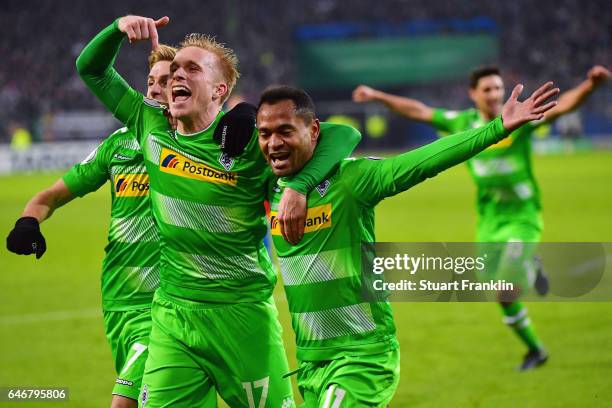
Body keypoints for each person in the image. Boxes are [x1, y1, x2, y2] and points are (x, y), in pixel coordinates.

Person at [76, 15, 362, 407]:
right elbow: (91, 69)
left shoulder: (251, 142)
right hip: (174, 315)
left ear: (219, 89)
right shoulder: (150, 124)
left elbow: (344, 135)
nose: (177, 74)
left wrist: (297, 184)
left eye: (192, 68)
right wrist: (115, 28)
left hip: (242, 317)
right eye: (175, 68)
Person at [257, 82, 558, 406]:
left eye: (286, 131)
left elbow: (425, 160)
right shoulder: (268, 184)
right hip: (309, 363)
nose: (274, 143)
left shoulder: (352, 181)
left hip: (361, 358)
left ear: (314, 131)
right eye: (265, 133)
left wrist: (496, 129)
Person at [352, 65, 609, 371]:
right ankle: (532, 279)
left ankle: (536, 349)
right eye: (487, 89)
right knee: (489, 281)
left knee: (504, 290)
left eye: (498, 88)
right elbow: (418, 111)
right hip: (489, 219)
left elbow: (563, 105)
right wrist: (377, 95)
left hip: (522, 217)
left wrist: (590, 86)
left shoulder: (518, 119)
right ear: (473, 94)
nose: (494, 95)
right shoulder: (463, 123)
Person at [6, 45, 178, 408]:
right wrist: (28, 220)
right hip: (119, 302)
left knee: (125, 403)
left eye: (166, 81)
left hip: (170, 303)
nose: (154, 89)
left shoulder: (195, 147)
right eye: (150, 81)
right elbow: (48, 196)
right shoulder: (117, 146)